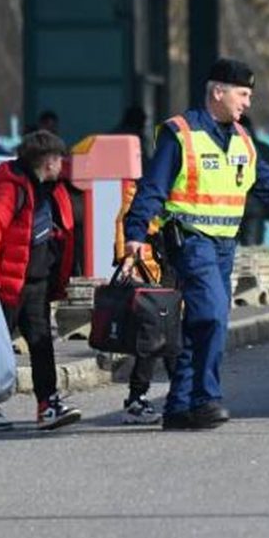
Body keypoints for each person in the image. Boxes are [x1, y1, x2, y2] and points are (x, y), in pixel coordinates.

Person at [122, 58, 269, 431]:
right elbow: (153, 187)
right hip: (190, 241)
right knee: (213, 314)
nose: (248, 102)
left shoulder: (242, 140)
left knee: (202, 321)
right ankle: (206, 399)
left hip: (223, 247)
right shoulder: (180, 133)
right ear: (219, 92)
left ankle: (179, 407)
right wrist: (135, 232)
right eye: (242, 94)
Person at [0, 131, 81, 430]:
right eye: (60, 159)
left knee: (42, 344)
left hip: (38, 283)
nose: (64, 165)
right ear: (47, 161)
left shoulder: (51, 189)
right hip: (7, 284)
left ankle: (48, 405)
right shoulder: (12, 188)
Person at [113, 179, 169, 424]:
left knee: (168, 340)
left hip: (167, 270)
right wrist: (127, 259)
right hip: (152, 275)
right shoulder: (139, 193)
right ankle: (137, 399)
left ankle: (177, 395)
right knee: (156, 339)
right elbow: (125, 229)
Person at [237, 115, 269, 246]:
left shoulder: (226, 149)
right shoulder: (264, 149)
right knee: (252, 251)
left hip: (233, 207)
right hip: (256, 207)